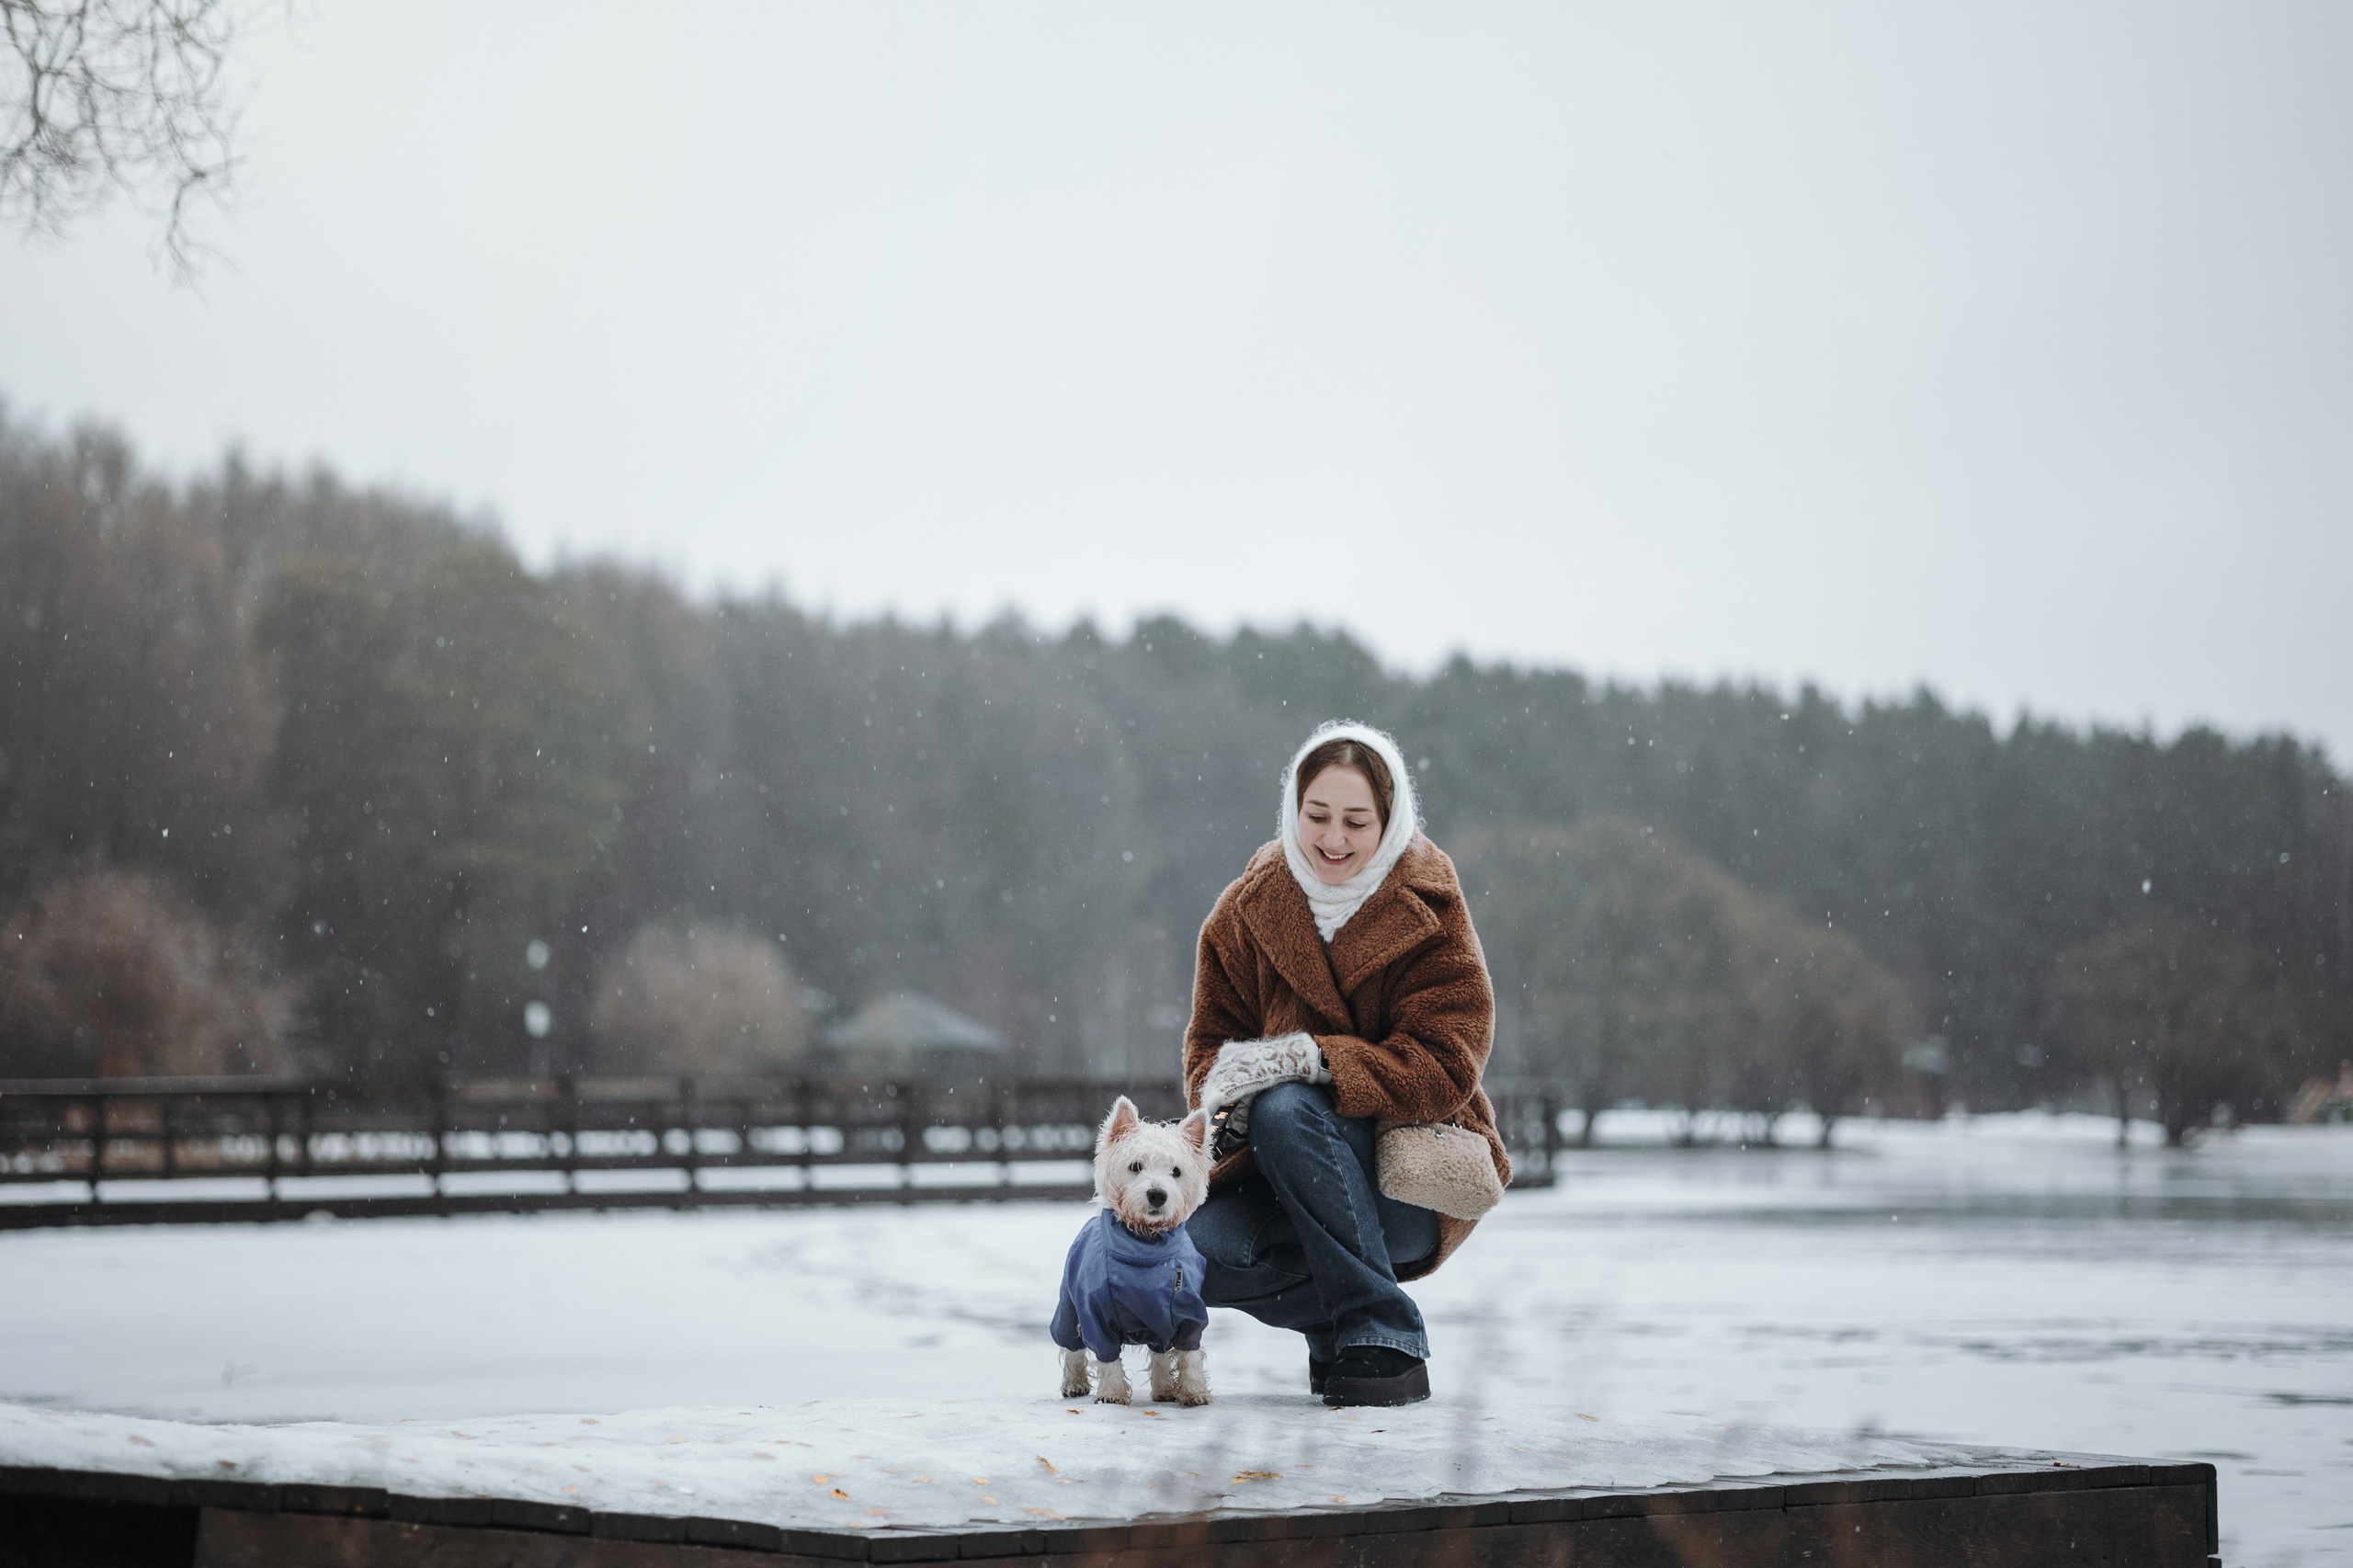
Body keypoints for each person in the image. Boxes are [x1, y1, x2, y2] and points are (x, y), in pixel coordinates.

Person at [1183, 720, 1507, 1407]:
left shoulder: (1430, 906)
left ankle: (1387, 1334)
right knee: (1191, 1256)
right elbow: (1207, 1048)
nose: (1333, 840)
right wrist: (1233, 1089)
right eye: (1317, 816)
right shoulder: (1244, 912)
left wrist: (1316, 1061)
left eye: (1356, 822)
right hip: (1273, 1175)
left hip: (1402, 1174)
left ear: (1389, 822)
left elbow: (1448, 1063)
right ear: (1292, 811)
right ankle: (1346, 1325)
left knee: (1291, 1106)